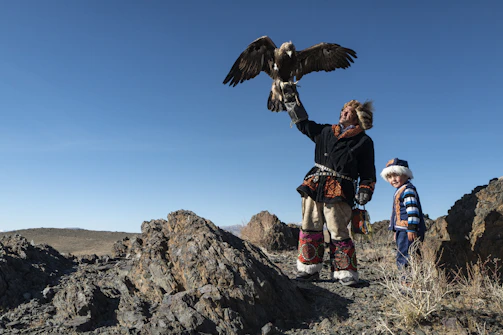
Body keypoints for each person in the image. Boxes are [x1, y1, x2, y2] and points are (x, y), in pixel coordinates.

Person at [281, 83, 376, 286]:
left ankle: (345, 272)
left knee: (338, 228)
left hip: (341, 188)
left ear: (357, 117)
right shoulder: (325, 132)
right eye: (343, 110)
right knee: (309, 225)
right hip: (315, 184)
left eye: (348, 111)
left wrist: (365, 190)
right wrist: (291, 100)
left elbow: (368, 172)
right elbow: (303, 124)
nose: (343, 113)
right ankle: (309, 269)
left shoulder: (364, 141)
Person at [380, 158, 426, 268]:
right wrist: (396, 230)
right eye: (390, 177)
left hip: (408, 230)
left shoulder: (407, 190)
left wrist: (412, 227)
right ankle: (411, 279)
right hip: (403, 229)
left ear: (405, 174)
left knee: (406, 255)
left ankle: (407, 279)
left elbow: (412, 210)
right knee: (407, 253)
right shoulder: (400, 190)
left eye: (396, 175)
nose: (393, 179)